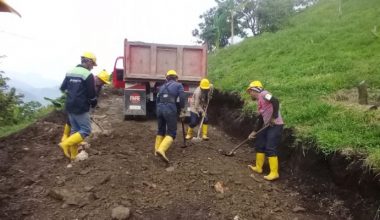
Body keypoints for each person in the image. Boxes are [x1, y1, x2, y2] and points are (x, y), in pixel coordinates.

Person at [58, 52, 98, 161]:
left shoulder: (70, 72)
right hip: (80, 107)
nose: (92, 67)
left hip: (69, 105)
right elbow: (91, 94)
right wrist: (94, 102)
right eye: (92, 64)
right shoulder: (87, 75)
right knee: (86, 130)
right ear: (88, 61)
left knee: (75, 131)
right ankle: (65, 144)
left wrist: (72, 93)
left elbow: (63, 88)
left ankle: (73, 157)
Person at [246, 80, 284, 181]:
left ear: (254, 90)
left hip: (276, 125)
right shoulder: (260, 101)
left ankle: (274, 173)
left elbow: (275, 101)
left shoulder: (264, 94)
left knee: (270, 147)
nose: (250, 94)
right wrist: (254, 131)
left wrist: (274, 117)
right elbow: (260, 118)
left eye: (250, 91)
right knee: (260, 144)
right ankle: (258, 168)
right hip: (267, 125)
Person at [60, 69, 110, 143]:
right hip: (77, 104)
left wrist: (90, 111)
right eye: (100, 81)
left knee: (77, 127)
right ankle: (65, 138)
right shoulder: (88, 81)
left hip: (84, 106)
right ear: (97, 77)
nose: (101, 83)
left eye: (103, 82)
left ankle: (73, 143)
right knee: (75, 123)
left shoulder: (99, 87)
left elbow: (94, 99)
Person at [154, 70, 186, 162]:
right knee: (172, 132)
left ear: (167, 78)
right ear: (176, 78)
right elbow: (182, 98)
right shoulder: (178, 85)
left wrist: (158, 110)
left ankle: (156, 150)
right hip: (170, 108)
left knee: (161, 130)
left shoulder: (161, 87)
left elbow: (157, 100)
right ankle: (161, 150)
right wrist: (182, 109)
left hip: (159, 108)